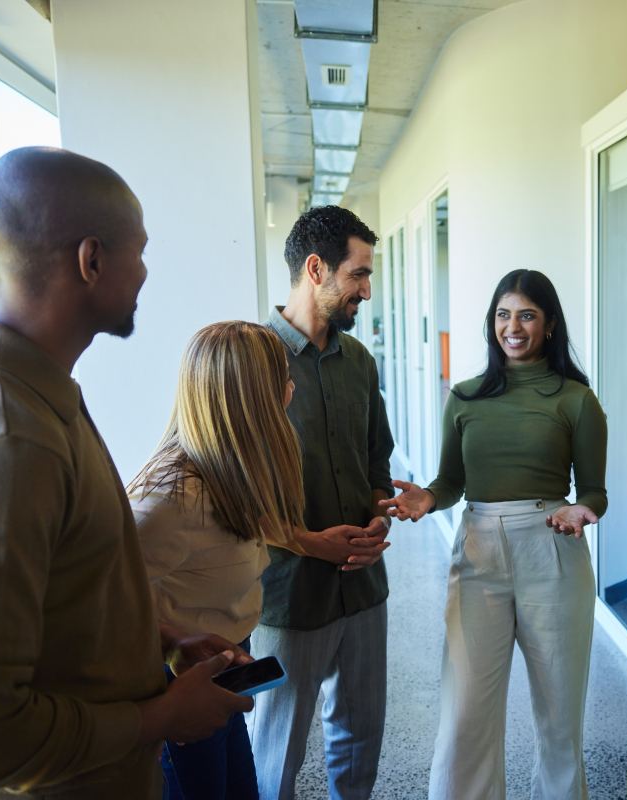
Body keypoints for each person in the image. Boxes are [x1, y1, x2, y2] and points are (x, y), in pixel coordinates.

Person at [0, 147, 251, 800]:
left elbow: (51, 594)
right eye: (138, 252)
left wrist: (152, 637)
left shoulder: (35, 396)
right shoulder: (4, 440)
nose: (144, 273)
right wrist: (158, 718)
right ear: (92, 260)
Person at [382, 269, 608, 800]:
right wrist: (428, 498)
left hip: (551, 545)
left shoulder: (576, 399)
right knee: (465, 709)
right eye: (504, 314)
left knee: (559, 716)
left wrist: (581, 510)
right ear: (491, 322)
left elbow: (594, 491)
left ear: (549, 324)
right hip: (479, 550)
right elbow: (451, 481)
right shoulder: (464, 397)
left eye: (527, 314)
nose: (514, 326)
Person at [250, 206, 395, 800]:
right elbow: (236, 489)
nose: (366, 289)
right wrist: (313, 543)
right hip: (289, 594)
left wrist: (381, 513)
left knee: (361, 738)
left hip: (364, 588)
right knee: (277, 749)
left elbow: (377, 459)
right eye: (358, 275)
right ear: (317, 269)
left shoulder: (360, 362)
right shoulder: (252, 360)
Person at [129, 321, 308, 800]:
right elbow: (93, 606)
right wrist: (168, 650)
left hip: (224, 666)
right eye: (282, 379)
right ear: (251, 397)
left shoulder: (227, 470)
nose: (291, 388)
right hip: (180, 683)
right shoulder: (168, 499)